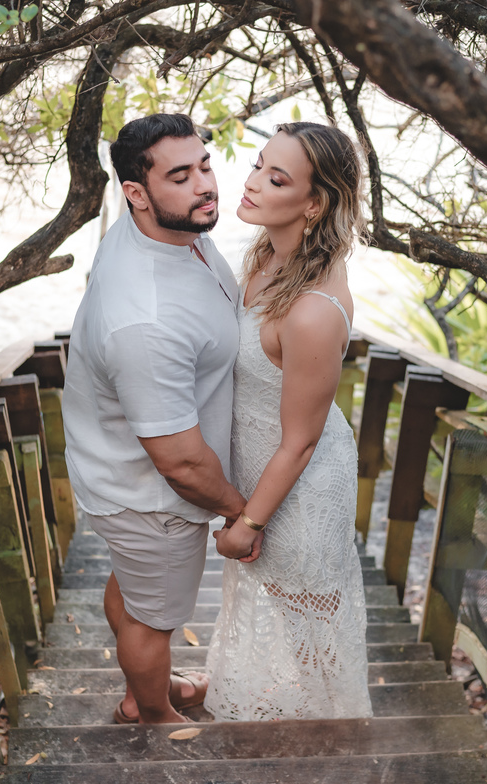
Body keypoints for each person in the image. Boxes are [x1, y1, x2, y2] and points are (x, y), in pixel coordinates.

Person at [61, 113, 248, 725]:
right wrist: (240, 509)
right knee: (155, 615)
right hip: (149, 495)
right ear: (135, 194)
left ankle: (151, 686)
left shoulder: (164, 228)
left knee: (143, 591)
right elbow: (181, 461)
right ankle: (151, 715)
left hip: (119, 474)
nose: (205, 186)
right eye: (180, 175)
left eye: (204, 165)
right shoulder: (146, 319)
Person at [204, 122, 373, 720]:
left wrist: (249, 522)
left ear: (314, 202)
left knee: (312, 627)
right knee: (284, 608)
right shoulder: (267, 259)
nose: (250, 184)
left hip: (299, 488)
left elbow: (300, 441)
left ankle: (339, 741)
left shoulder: (312, 311)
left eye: (276, 179)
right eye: (256, 166)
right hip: (263, 469)